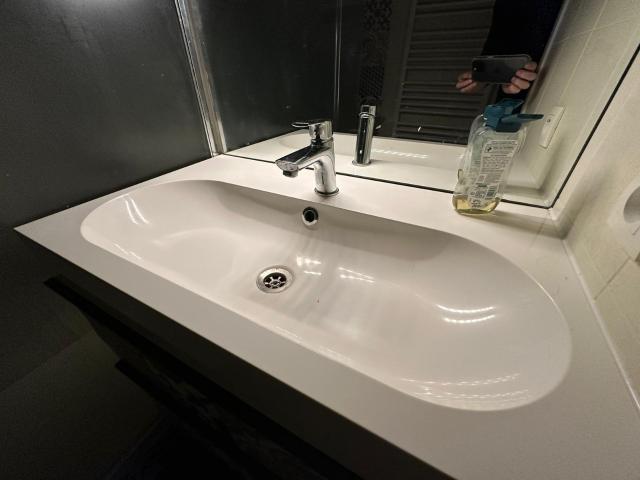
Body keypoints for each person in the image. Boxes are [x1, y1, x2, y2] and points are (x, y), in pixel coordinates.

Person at [455, 0, 564, 98]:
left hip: (559, 77)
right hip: (516, 98)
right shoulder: (504, 5)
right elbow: (495, 48)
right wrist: (480, 80)